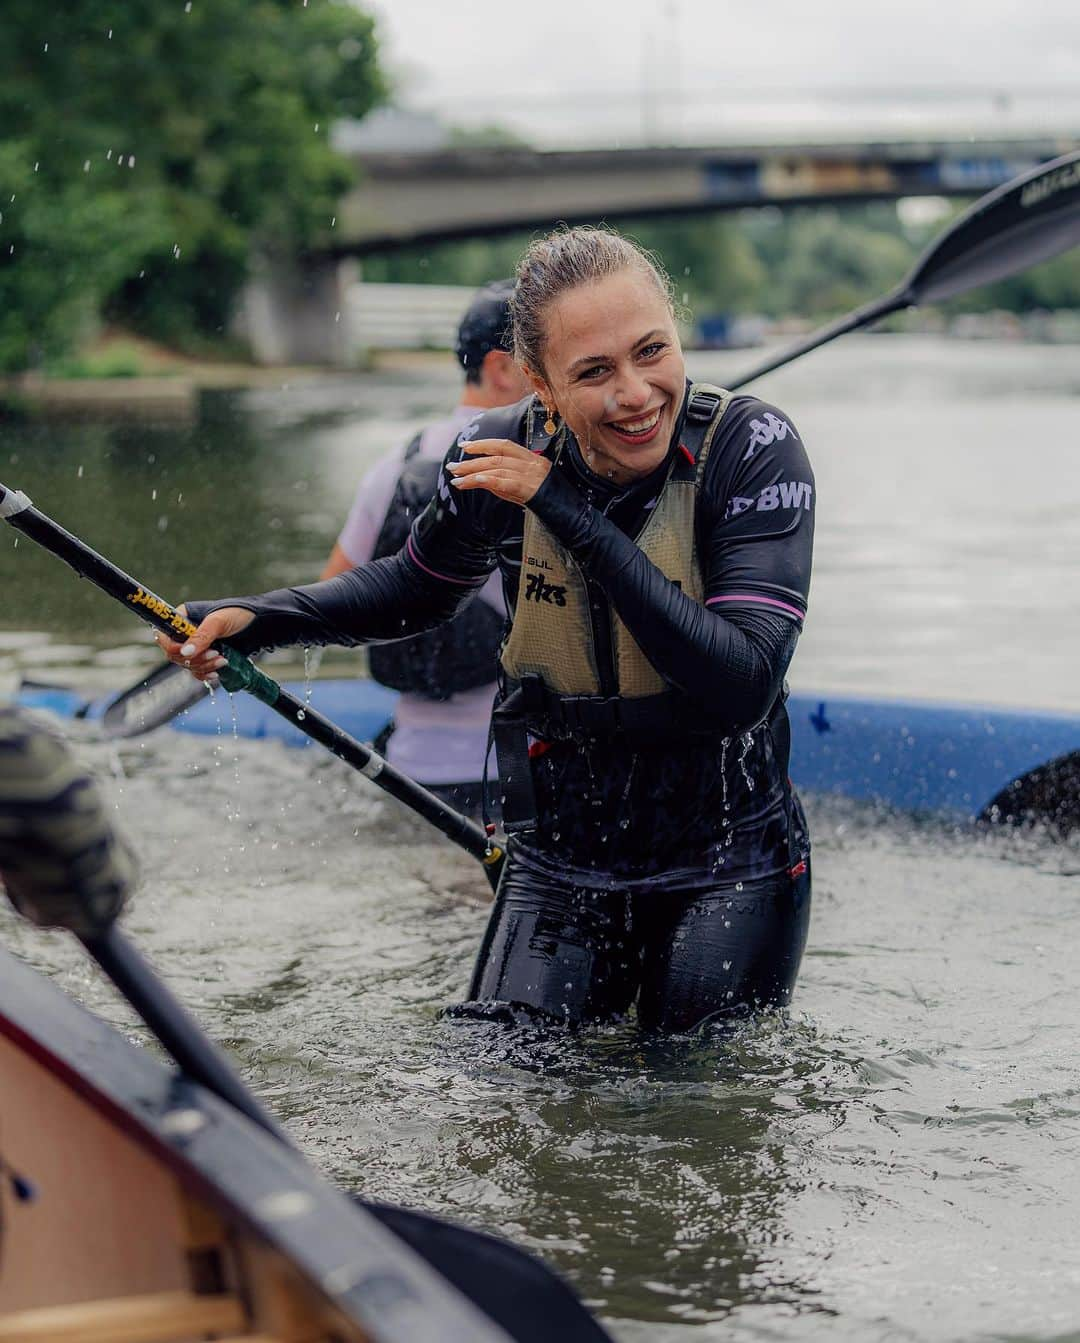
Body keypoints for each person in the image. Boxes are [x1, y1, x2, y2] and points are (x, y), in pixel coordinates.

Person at [161, 227, 815, 1034]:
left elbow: (741, 682)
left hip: (730, 859)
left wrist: (565, 511)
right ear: (538, 383)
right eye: (595, 371)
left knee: (688, 1106)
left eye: (652, 351)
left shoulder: (753, 450)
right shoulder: (494, 453)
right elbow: (413, 589)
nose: (638, 393)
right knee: (500, 1090)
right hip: (562, 853)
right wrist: (261, 618)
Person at [320, 280, 532, 813]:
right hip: (518, 779)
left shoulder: (395, 463)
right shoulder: (542, 468)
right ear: (503, 369)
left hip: (410, 777)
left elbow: (331, 600)